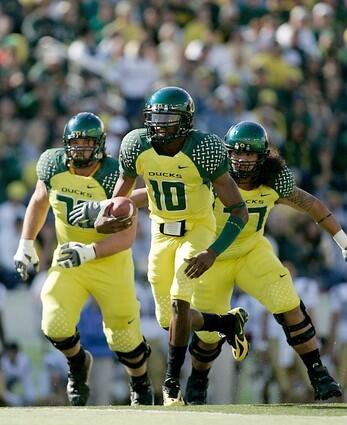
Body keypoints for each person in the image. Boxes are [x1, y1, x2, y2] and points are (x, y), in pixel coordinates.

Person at [69, 87, 250, 406]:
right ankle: (225, 322)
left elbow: (239, 210)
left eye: (168, 117)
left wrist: (213, 251)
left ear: (185, 121)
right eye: (155, 117)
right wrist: (103, 216)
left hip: (197, 227)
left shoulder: (204, 148)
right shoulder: (135, 143)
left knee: (180, 302)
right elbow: (121, 197)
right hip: (160, 231)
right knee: (170, 321)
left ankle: (170, 385)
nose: (159, 124)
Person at [184, 120, 343, 404]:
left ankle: (319, 373)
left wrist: (342, 240)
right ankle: (198, 380)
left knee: (290, 305)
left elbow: (311, 204)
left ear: (263, 156)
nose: (243, 160)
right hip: (213, 256)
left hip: (251, 252)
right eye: (237, 153)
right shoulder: (211, 176)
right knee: (207, 334)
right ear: (227, 153)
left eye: (250, 154)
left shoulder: (273, 180)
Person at [13, 112, 154, 406]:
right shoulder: (52, 164)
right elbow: (39, 201)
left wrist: (90, 251)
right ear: (65, 144)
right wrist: (26, 243)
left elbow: (127, 237)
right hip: (68, 257)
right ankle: (78, 364)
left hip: (110, 261)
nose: (81, 149)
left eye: (88, 143)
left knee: (124, 338)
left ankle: (139, 382)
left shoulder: (115, 175)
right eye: (76, 143)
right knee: (54, 323)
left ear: (101, 145)